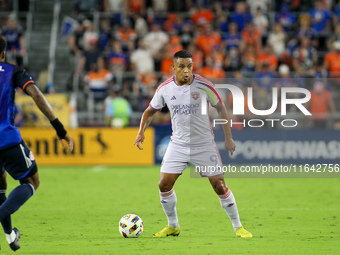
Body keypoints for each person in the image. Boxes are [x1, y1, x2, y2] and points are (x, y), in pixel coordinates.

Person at [133, 50, 252, 238]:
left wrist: (228, 137)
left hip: (204, 144)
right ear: (173, 67)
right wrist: (141, 133)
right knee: (164, 184)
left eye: (189, 66)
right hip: (178, 145)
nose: (186, 70)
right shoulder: (164, 88)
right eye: (181, 66)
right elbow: (149, 112)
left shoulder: (204, 85)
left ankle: (238, 227)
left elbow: (221, 109)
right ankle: (173, 226)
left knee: (219, 186)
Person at [0, 37, 74, 251]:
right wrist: (60, 129)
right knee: (32, 181)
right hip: (6, 139)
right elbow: (36, 95)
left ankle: (10, 236)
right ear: (3, 54)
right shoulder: (12, 71)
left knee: (1, 186)